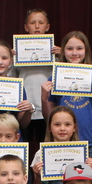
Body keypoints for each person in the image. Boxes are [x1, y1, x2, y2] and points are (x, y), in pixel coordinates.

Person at [41, 31, 92, 154]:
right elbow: (49, 118)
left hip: (89, 141)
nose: (74, 53)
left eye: (79, 48)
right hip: (62, 142)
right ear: (63, 51)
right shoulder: (54, 79)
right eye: (69, 49)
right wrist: (44, 99)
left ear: (86, 50)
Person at [17, 9, 62, 150]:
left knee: (47, 147)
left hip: (47, 107)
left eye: (41, 23)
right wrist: (12, 57)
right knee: (24, 147)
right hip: (25, 108)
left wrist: (62, 56)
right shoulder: (19, 51)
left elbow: (64, 76)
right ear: (26, 27)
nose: (37, 26)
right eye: (32, 23)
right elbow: (10, 77)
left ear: (47, 27)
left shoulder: (55, 52)